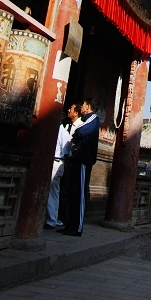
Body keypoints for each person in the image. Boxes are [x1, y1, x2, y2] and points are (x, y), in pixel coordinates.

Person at [58, 98, 100, 237]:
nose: (81, 107)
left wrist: (76, 135)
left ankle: (77, 228)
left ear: (88, 107)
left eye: (83, 105)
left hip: (83, 160)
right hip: (76, 160)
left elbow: (80, 131)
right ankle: (70, 225)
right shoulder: (88, 118)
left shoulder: (93, 118)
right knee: (73, 194)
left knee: (80, 195)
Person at [44, 113, 72, 229]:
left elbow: (67, 151)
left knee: (52, 192)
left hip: (57, 162)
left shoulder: (63, 132)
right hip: (50, 161)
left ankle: (52, 220)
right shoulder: (53, 129)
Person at [58, 103, 83, 226]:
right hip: (64, 161)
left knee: (67, 190)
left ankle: (64, 218)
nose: (69, 110)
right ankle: (61, 216)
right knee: (62, 188)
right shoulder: (67, 126)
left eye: (71, 109)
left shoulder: (80, 127)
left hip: (72, 162)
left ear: (76, 113)